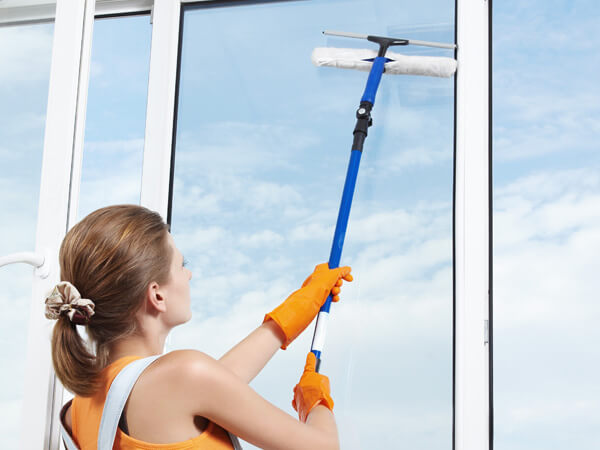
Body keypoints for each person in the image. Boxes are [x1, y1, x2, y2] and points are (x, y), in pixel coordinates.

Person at [46, 204, 353, 449]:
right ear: (157, 294)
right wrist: (315, 400)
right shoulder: (184, 376)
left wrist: (296, 308)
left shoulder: (80, 408)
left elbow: (213, 385)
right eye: (182, 264)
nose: (188, 276)